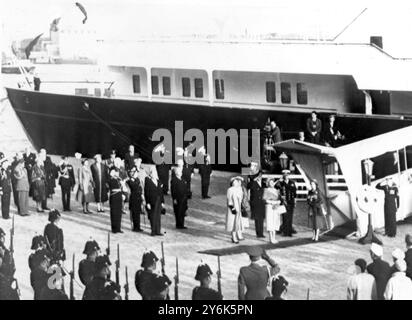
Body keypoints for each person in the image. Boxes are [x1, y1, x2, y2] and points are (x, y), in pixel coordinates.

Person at [275, 170, 297, 237]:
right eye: (284, 175)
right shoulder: (281, 183)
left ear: (289, 175)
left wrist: (295, 201)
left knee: (290, 217)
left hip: (291, 202)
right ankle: (285, 232)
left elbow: (295, 193)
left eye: (287, 175)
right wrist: (278, 180)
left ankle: (289, 232)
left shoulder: (292, 182)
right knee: (284, 217)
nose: (286, 176)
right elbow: (275, 186)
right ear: (283, 176)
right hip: (284, 202)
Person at [144, 166, 165, 236]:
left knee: (158, 216)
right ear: (150, 174)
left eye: (155, 172)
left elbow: (161, 193)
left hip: (158, 200)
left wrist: (162, 202)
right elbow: (146, 192)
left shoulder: (158, 181)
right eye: (152, 173)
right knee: (152, 216)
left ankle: (158, 231)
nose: (154, 174)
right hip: (151, 201)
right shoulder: (148, 181)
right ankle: (153, 231)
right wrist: (147, 203)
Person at [226, 176, 245, 244]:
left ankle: (237, 236)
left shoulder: (238, 189)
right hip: (232, 209)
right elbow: (229, 200)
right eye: (234, 182)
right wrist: (233, 209)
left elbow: (240, 199)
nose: (236, 183)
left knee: (236, 223)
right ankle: (233, 237)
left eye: (236, 182)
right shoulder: (230, 190)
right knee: (232, 223)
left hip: (238, 208)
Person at [263, 178, 282, 244]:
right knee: (270, 221)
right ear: (268, 183)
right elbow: (265, 200)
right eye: (270, 182)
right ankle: (271, 238)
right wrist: (272, 202)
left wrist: (278, 202)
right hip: (269, 207)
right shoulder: (266, 190)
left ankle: (274, 237)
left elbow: (280, 199)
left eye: (272, 182)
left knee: (275, 221)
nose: (272, 184)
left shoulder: (277, 190)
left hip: (276, 207)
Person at [249, 171, 266, 239]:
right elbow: (248, 186)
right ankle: (258, 233)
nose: (260, 177)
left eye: (261, 175)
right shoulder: (253, 183)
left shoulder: (263, 183)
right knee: (257, 218)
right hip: (255, 202)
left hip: (262, 203)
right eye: (259, 175)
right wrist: (253, 180)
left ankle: (261, 233)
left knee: (261, 218)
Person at [127, 167, 144, 232]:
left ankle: (138, 226)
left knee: (138, 213)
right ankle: (135, 227)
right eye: (133, 172)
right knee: (134, 213)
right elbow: (134, 187)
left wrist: (141, 194)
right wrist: (135, 179)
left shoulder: (137, 179)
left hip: (138, 197)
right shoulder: (129, 180)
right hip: (133, 198)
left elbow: (140, 187)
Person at [108, 167, 124, 234]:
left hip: (119, 196)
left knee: (119, 212)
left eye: (114, 172)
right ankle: (114, 228)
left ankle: (118, 228)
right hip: (113, 196)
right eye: (112, 172)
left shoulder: (118, 179)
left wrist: (122, 183)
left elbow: (121, 187)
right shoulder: (109, 179)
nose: (113, 173)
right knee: (114, 212)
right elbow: (111, 186)